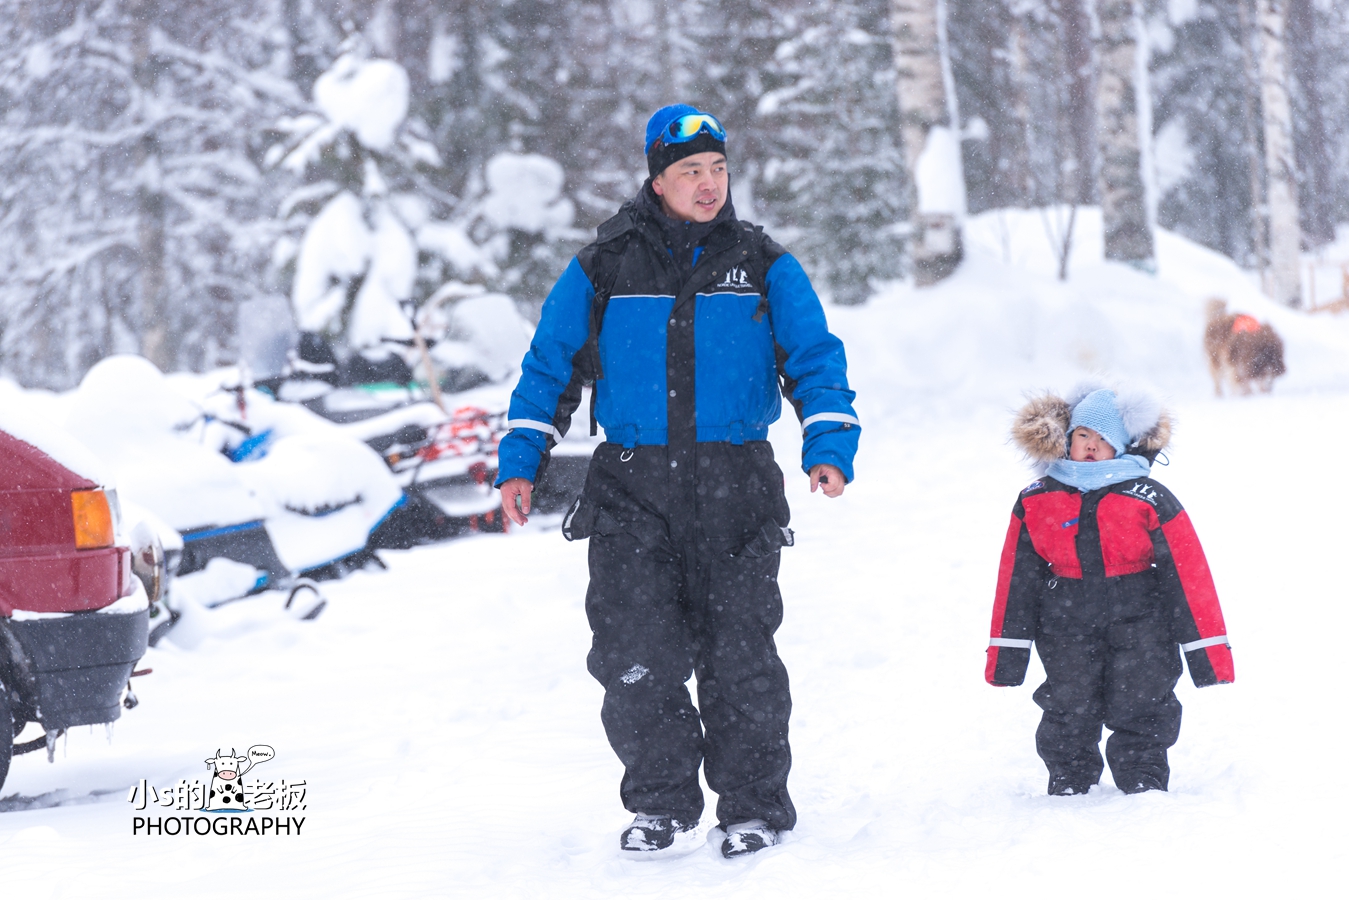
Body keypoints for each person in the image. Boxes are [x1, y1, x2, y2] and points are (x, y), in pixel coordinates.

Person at [494, 104, 859, 858]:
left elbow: (815, 359)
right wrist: (520, 460)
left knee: (740, 659)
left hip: (737, 485)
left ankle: (752, 808)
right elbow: (549, 365)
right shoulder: (603, 265)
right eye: (690, 171)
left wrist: (827, 441)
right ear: (657, 180)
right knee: (635, 657)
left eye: (718, 169)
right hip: (632, 488)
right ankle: (659, 803)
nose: (708, 184)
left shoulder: (761, 263)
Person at [986, 384, 1234, 795]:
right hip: (1064, 620)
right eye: (1083, 435)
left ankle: (1142, 776)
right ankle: (1069, 776)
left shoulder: (1147, 497)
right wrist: (1007, 655)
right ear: (1066, 439)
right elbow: (1016, 577)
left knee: (1144, 699)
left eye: (1102, 439)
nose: (1090, 446)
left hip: (1142, 621)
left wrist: (1209, 656)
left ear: (1120, 447)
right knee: (1067, 701)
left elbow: (1188, 575)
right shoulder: (1037, 499)